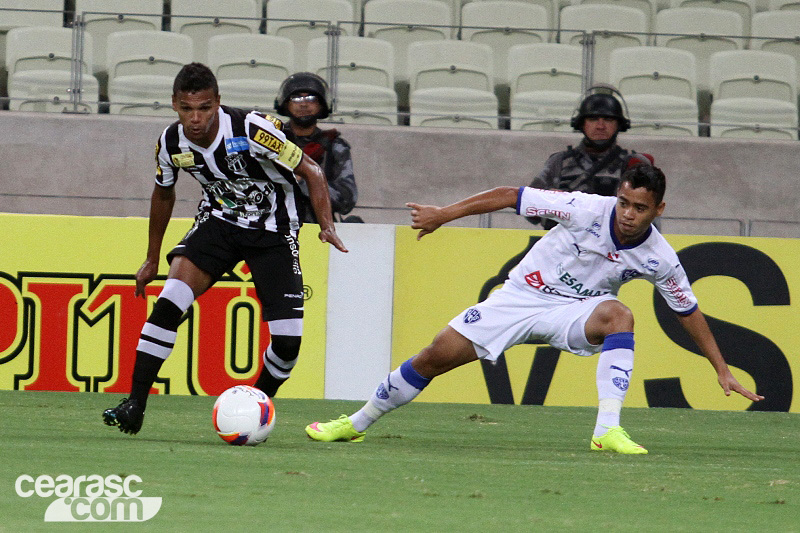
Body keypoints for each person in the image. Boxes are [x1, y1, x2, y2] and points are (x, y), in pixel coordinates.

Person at [305, 164, 764, 453]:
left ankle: (607, 429)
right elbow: (511, 194)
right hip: (521, 297)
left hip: (577, 311)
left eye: (639, 207)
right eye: (624, 202)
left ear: (657, 208)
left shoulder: (659, 257)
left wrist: (721, 369)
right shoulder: (584, 208)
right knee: (433, 356)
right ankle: (356, 422)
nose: (627, 213)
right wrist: (444, 214)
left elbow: (689, 312)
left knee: (620, 315)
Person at [103, 62, 347, 435]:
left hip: (274, 230)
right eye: (187, 109)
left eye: (204, 108)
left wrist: (326, 225)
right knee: (170, 302)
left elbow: (311, 170)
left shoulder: (252, 129)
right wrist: (152, 258)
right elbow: (163, 192)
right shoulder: (170, 142)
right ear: (174, 105)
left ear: (217, 101)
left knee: (287, 344)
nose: (196, 118)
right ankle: (134, 403)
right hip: (218, 223)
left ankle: (252, 408)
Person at [529, 88, 653, 229]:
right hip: (563, 244)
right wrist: (547, 199)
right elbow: (528, 208)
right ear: (582, 124)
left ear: (619, 124)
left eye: (608, 119)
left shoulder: (634, 164)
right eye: (593, 119)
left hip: (613, 246)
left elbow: (649, 217)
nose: (600, 126)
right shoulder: (559, 162)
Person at [274, 72, 360, 223]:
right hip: (274, 226)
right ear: (286, 103)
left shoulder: (334, 146)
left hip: (319, 231)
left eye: (311, 99)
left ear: (321, 105)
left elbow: (346, 200)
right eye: (296, 98)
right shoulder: (272, 141)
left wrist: (305, 181)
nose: (304, 104)